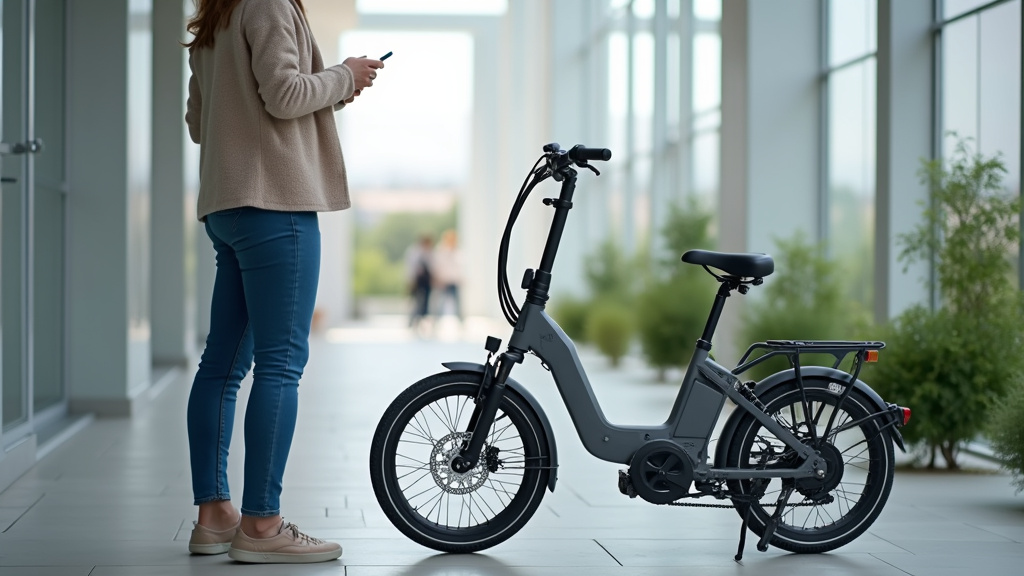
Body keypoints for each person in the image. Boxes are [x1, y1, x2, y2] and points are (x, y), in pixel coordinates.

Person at [182, 0, 382, 564]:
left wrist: (336, 89)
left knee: (221, 365)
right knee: (280, 363)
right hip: (276, 204)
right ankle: (263, 526)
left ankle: (214, 515)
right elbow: (284, 95)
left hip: (227, 206)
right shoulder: (267, 3)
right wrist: (345, 74)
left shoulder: (215, 15)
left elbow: (200, 124)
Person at [431, 229, 463, 322]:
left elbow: (459, 267)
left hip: (454, 281)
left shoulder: (457, 251)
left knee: (457, 303)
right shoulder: (441, 250)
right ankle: (436, 322)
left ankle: (461, 322)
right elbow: (437, 266)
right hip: (443, 281)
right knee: (440, 303)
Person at [405, 234, 434, 332]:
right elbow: (410, 268)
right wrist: (410, 281)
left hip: (426, 283)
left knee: (425, 304)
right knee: (416, 302)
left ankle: (422, 323)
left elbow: (432, 268)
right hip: (417, 282)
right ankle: (413, 321)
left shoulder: (429, 253)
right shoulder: (414, 252)